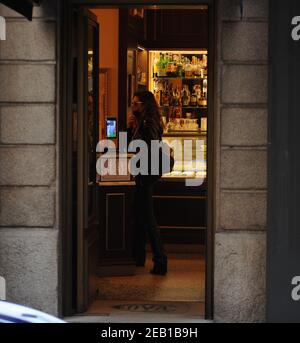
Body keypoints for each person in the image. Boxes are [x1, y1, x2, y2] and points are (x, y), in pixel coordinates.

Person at [127, 91, 168, 276]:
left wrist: (137, 126)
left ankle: (160, 260)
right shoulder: (144, 121)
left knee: (149, 218)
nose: (132, 107)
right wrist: (132, 127)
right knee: (141, 216)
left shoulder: (148, 122)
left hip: (146, 175)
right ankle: (139, 256)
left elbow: (149, 145)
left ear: (144, 105)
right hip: (144, 174)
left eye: (136, 104)